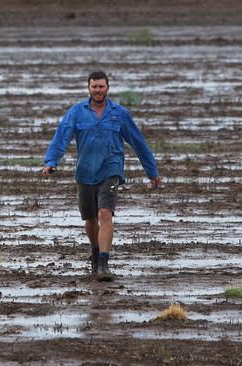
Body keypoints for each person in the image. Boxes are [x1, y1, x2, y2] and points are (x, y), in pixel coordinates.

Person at [42, 71, 161, 281]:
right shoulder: (77, 112)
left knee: (105, 214)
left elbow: (138, 142)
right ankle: (96, 252)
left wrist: (152, 171)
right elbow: (61, 136)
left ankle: (104, 263)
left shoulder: (119, 113)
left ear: (108, 88)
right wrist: (51, 161)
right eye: (94, 87)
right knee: (90, 219)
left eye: (101, 86)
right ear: (88, 88)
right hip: (85, 171)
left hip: (111, 170)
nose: (98, 90)